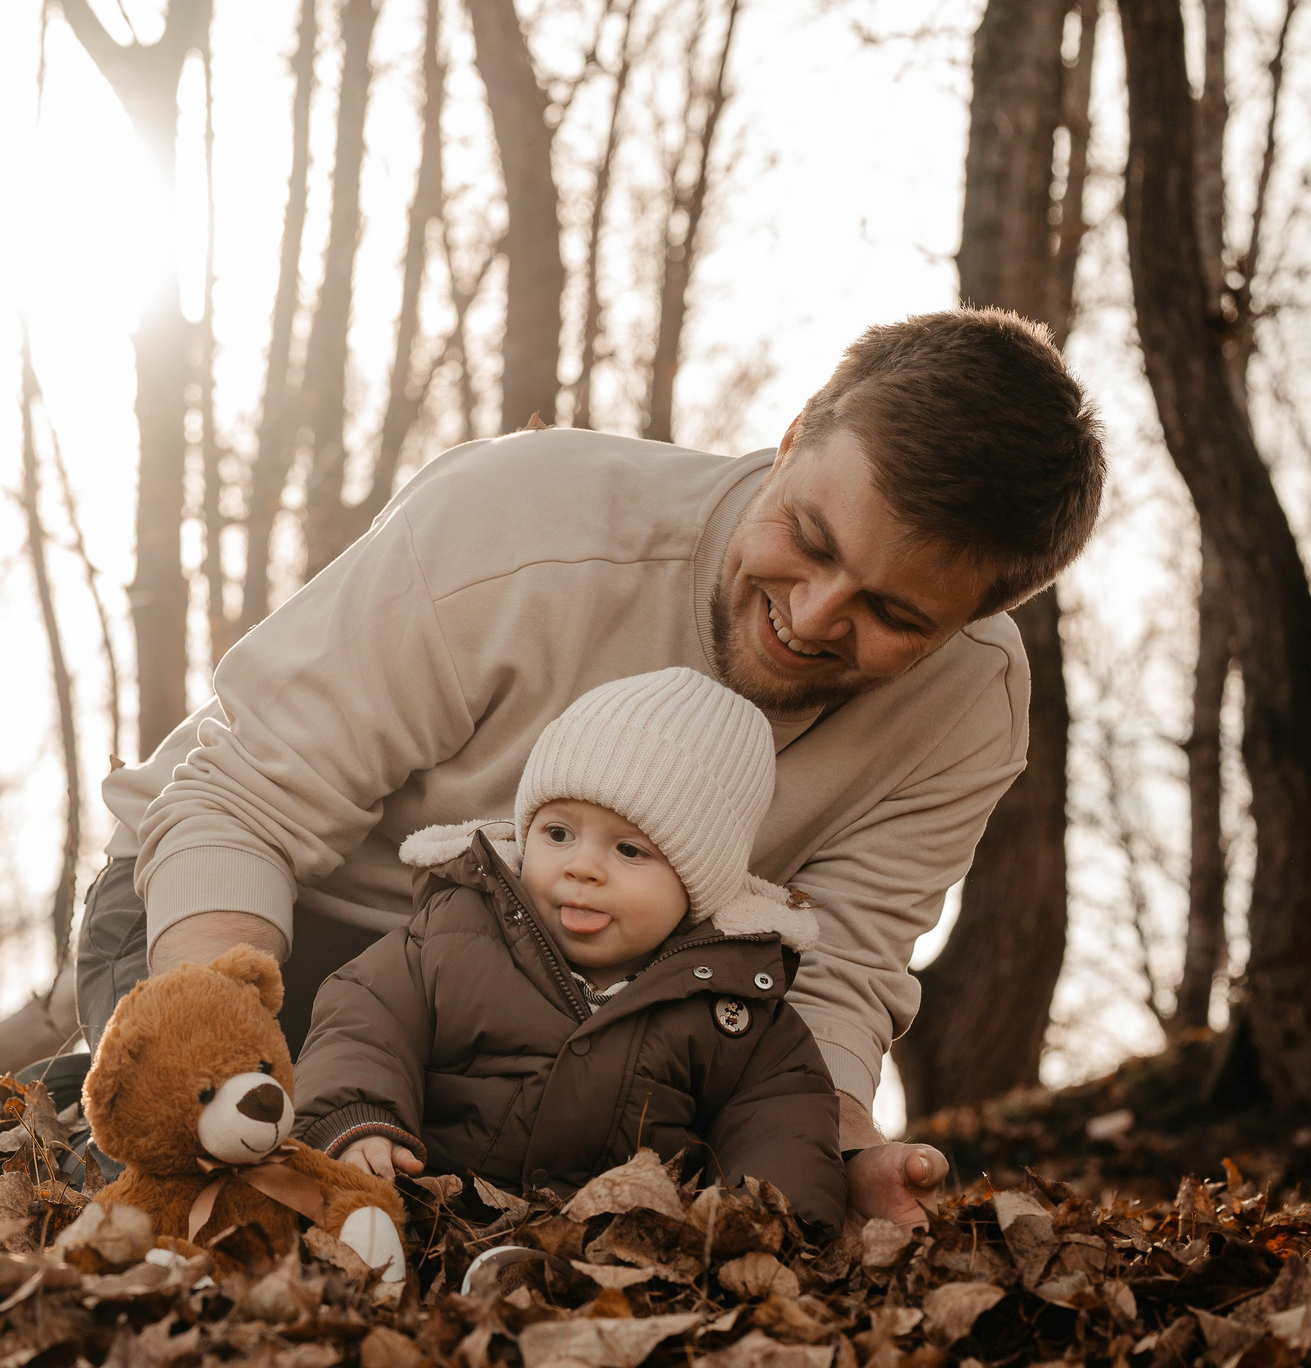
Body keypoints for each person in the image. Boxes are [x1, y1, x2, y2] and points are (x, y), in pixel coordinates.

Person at [73, 310, 1106, 1229]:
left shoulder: (970, 701)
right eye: (809, 538)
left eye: (893, 614)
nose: (814, 615)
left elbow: (837, 969)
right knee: (236, 1179)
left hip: (576, 1012)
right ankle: (87, 1095)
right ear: (792, 440)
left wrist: (834, 1156)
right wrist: (216, 1015)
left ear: (976, 617)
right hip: (274, 908)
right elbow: (237, 798)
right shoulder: (520, 522)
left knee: (474, 1208)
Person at [292, 668, 847, 1232]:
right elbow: (365, 1021)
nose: (582, 867)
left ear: (698, 884)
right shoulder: (456, 932)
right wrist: (359, 1121)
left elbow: (783, 1120)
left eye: (629, 850)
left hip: (620, 1255)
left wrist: (767, 1223)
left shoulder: (732, 1007)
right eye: (558, 834)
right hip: (432, 1215)